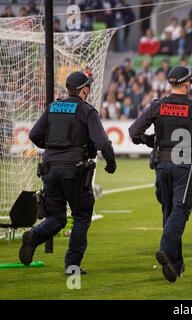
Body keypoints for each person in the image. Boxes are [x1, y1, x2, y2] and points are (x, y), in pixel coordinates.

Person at [20, 71, 116, 274]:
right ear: (83, 89)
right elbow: (102, 142)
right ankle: (72, 266)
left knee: (57, 216)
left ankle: (34, 236)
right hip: (75, 170)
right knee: (81, 216)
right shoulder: (85, 110)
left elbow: (34, 134)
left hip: (49, 168)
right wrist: (111, 162)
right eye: (88, 87)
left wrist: (54, 147)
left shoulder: (53, 107)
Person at [128, 66, 192, 282]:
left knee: (169, 212)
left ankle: (176, 265)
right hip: (184, 163)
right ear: (187, 84)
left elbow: (133, 132)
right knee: (181, 210)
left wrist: (151, 141)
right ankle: (165, 250)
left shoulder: (159, 105)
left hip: (162, 163)